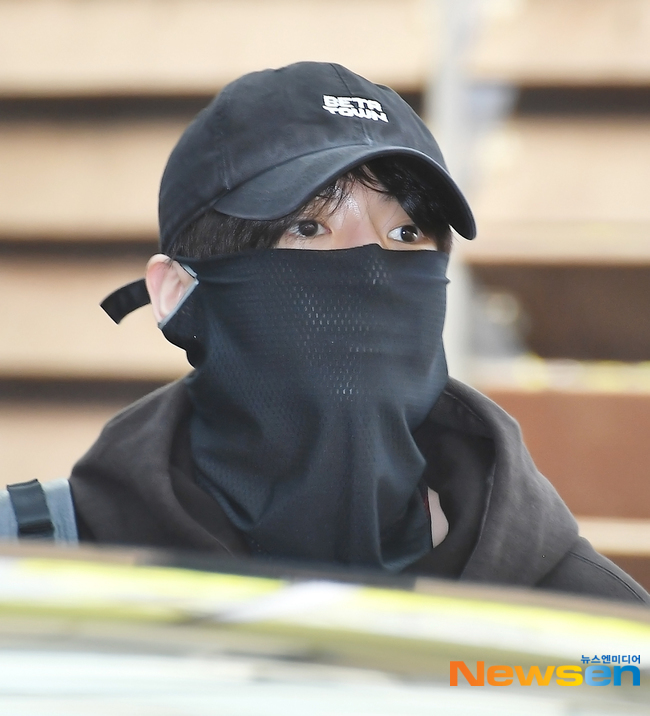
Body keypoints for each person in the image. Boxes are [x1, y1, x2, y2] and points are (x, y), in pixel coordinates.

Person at [1, 62, 648, 603]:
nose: (372, 270)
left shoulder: (591, 624)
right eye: (308, 229)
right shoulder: (35, 578)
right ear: (176, 292)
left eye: (406, 233)